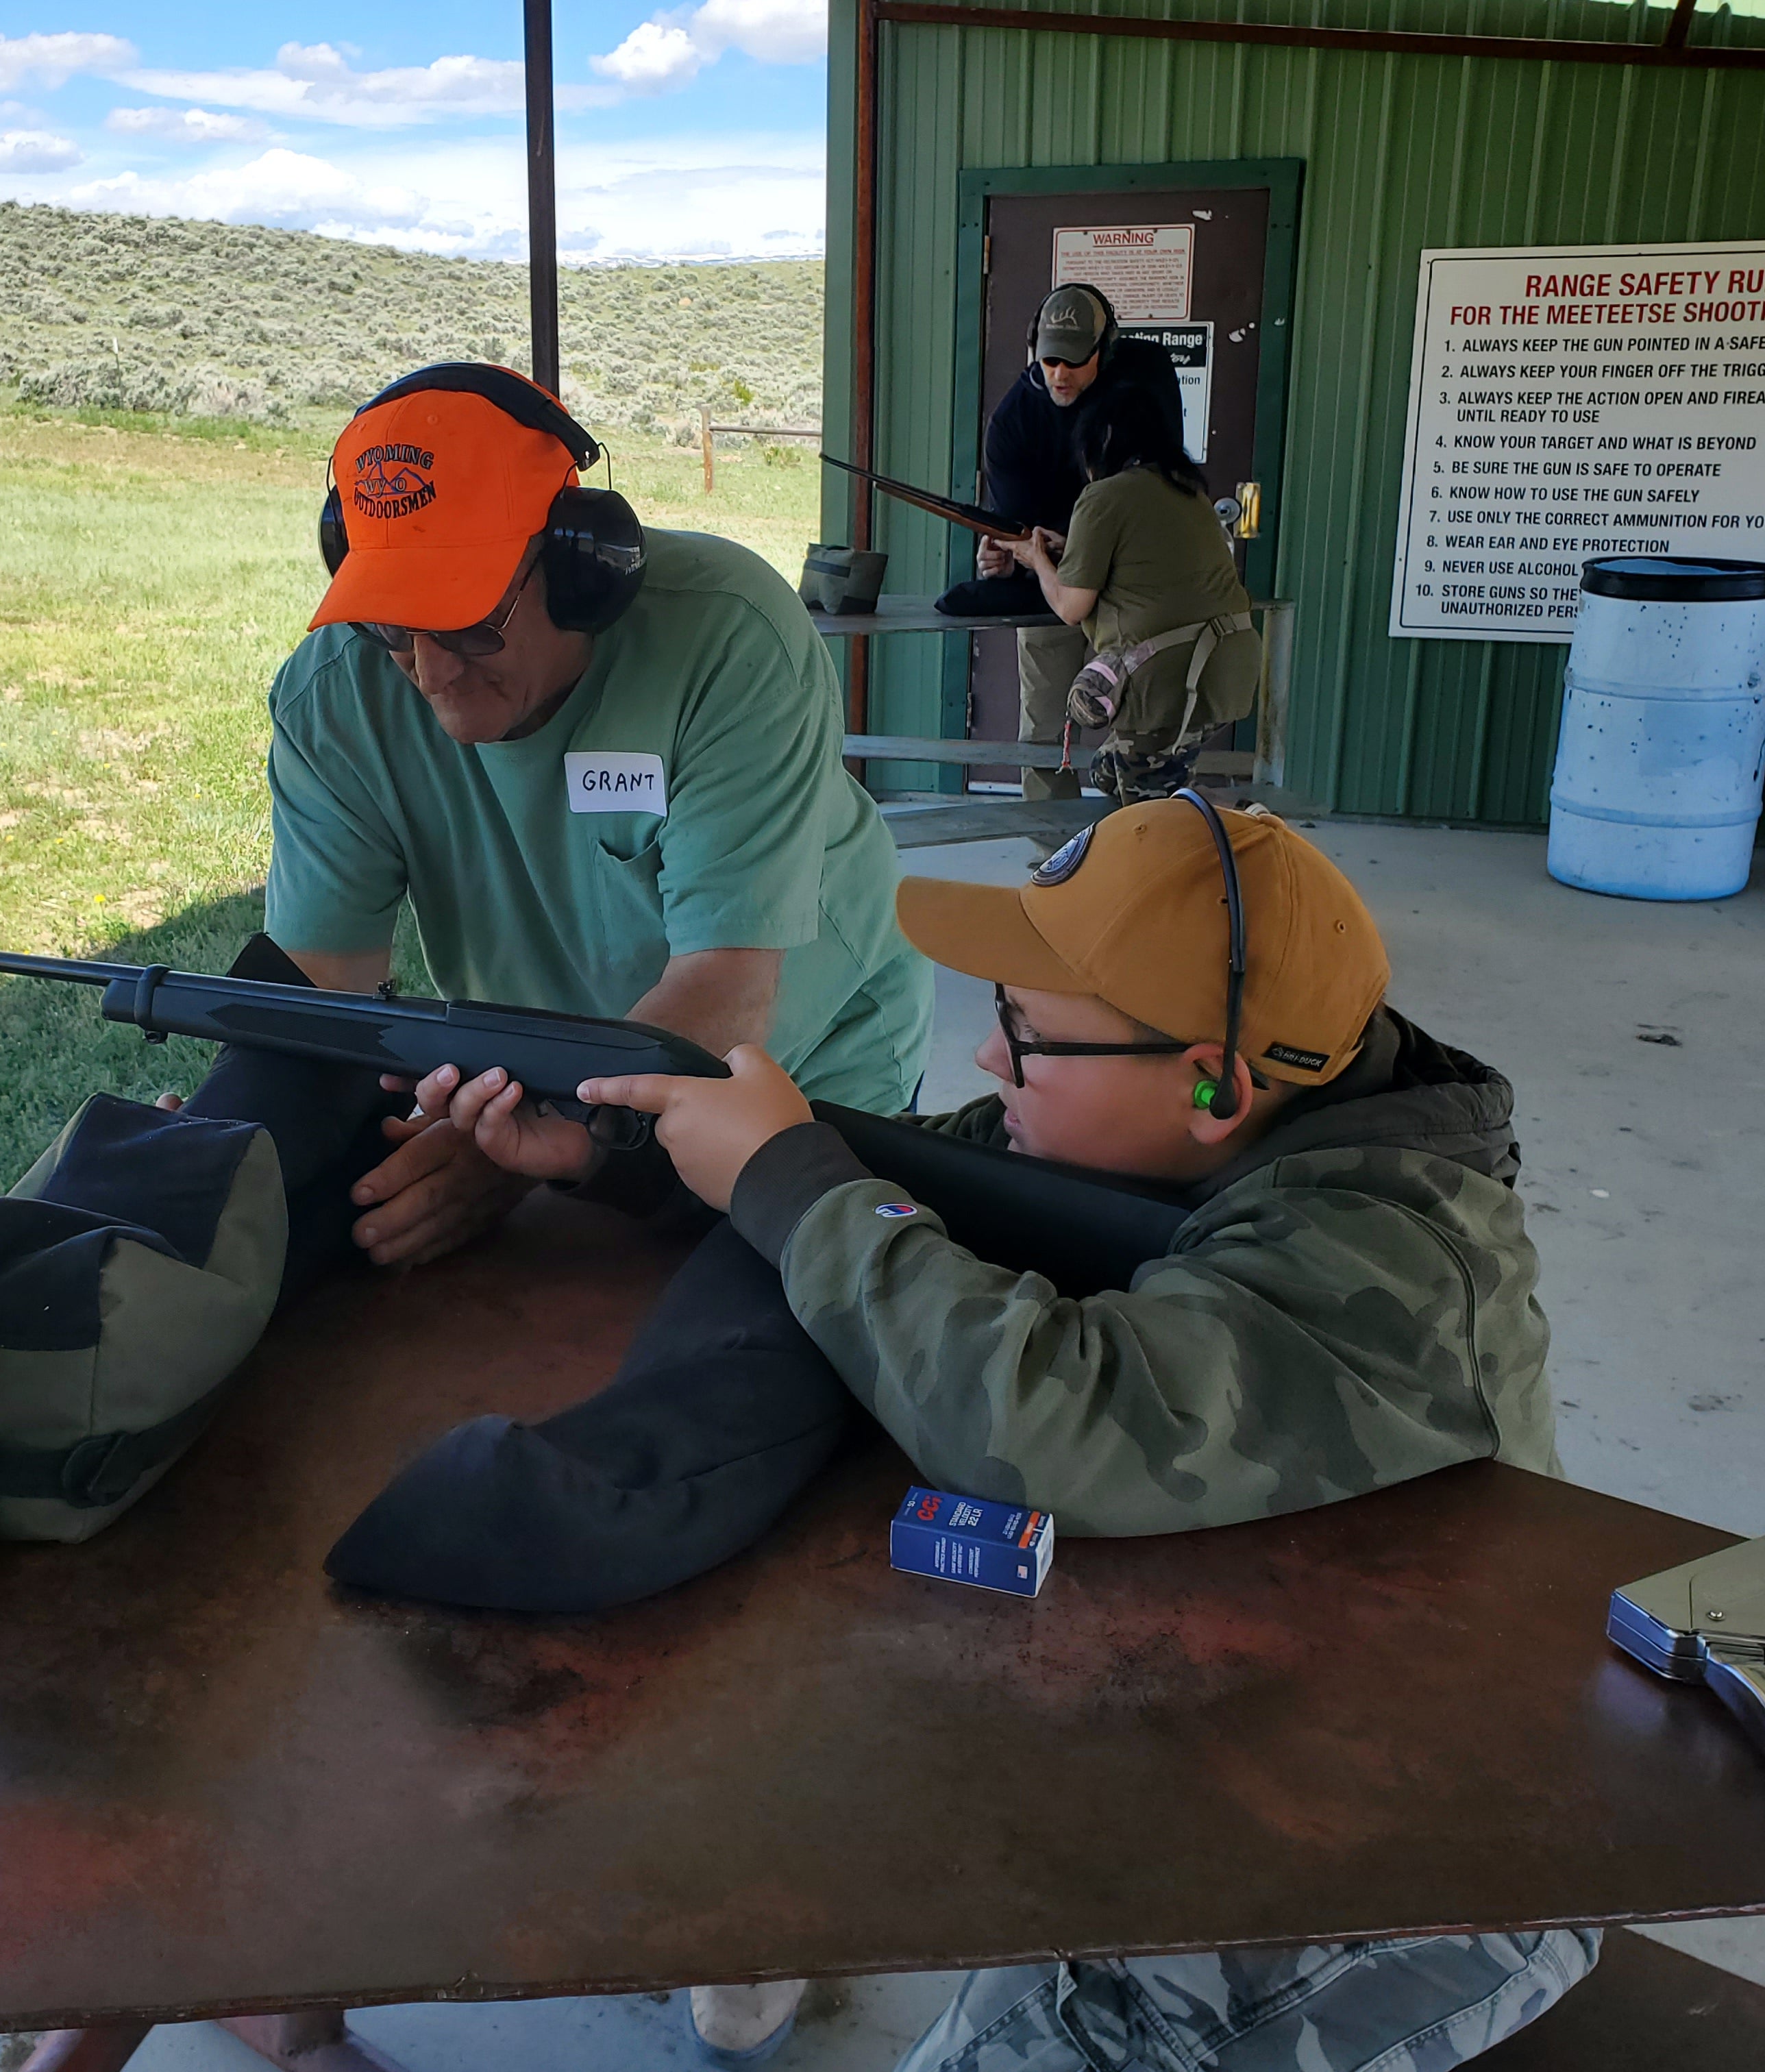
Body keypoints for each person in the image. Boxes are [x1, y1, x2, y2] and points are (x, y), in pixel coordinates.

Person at [415, 796, 1599, 2071]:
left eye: (1026, 1036)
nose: (987, 1061)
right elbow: (911, 1183)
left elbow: (1044, 1416)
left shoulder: (1394, 1264)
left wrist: (790, 1184)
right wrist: (628, 1153)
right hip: (1210, 1740)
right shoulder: (1216, 1137)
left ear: (1217, 1083)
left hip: (1392, 1885)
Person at [218, 361, 929, 1273]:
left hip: (806, 1055)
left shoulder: (729, 639)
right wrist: (234, 1138)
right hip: (542, 1086)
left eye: (472, 622)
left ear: (581, 568)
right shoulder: (334, 697)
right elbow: (324, 994)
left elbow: (726, 989)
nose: (431, 673)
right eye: (393, 624)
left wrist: (540, 1135)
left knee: (776, 1301)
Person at [973, 283, 1183, 802]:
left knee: (1140, 728)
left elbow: (1163, 488)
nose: (1060, 374)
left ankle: (1134, 854)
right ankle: (1055, 866)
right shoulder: (1012, 423)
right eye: (1048, 361)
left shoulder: (1145, 380)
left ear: (1105, 351)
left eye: (1074, 361)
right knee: (1045, 729)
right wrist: (1004, 549)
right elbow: (1017, 529)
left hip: (1132, 588)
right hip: (1052, 587)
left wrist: (1088, 546)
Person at [1007, 384, 1261, 805]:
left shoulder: (1104, 495)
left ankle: (1241, 824)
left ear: (1102, 441)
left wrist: (1038, 560)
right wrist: (1069, 549)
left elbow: (1071, 607)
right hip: (1228, 672)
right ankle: (1218, 815)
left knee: (1153, 816)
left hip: (1167, 687)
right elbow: (1145, 564)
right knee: (1111, 773)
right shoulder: (1187, 491)